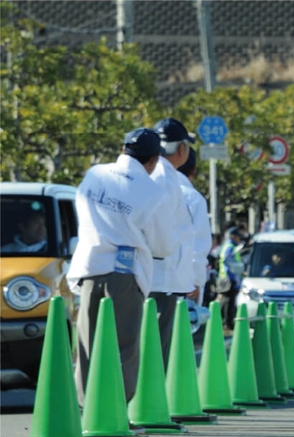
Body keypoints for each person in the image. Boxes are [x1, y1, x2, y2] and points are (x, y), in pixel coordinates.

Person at [68, 128, 177, 407]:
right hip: (124, 273)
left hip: (89, 266)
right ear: (153, 161)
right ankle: (115, 410)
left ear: (123, 148)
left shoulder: (95, 174)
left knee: (87, 343)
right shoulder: (152, 192)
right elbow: (163, 246)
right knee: (124, 345)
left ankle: (85, 408)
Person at [150, 117, 197, 368]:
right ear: (182, 149)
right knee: (157, 346)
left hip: (160, 276)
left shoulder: (160, 175)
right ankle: (151, 403)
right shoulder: (165, 178)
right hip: (160, 277)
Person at [177, 147, 213, 307]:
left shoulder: (149, 189)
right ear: (193, 170)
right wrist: (195, 280)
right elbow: (198, 246)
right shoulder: (193, 198)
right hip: (180, 284)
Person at [217, 227, 244, 331]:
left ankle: (225, 322)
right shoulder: (230, 246)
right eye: (238, 237)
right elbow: (228, 262)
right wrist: (233, 277)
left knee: (226, 301)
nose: (239, 240)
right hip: (228, 279)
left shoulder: (228, 246)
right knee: (228, 302)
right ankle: (227, 323)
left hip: (226, 278)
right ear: (233, 236)